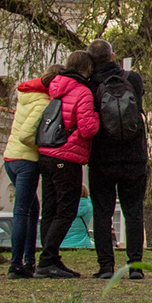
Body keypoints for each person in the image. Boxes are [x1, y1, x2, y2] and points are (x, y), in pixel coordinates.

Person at [85, 40, 151, 282]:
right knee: (133, 211)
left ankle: (105, 267)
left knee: (103, 213)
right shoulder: (132, 79)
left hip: (102, 157)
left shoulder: (90, 84)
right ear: (112, 56)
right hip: (134, 156)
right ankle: (135, 266)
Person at [35, 50, 99, 278]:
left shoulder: (55, 87)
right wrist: (97, 115)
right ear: (87, 68)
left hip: (46, 153)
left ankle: (50, 259)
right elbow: (88, 127)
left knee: (50, 209)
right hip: (66, 155)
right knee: (67, 209)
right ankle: (46, 260)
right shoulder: (82, 91)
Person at [2, 66, 55, 280]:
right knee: (23, 211)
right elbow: (26, 135)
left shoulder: (27, 97)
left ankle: (28, 261)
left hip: (11, 158)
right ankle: (16, 264)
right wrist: (44, 147)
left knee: (32, 209)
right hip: (26, 160)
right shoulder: (43, 103)